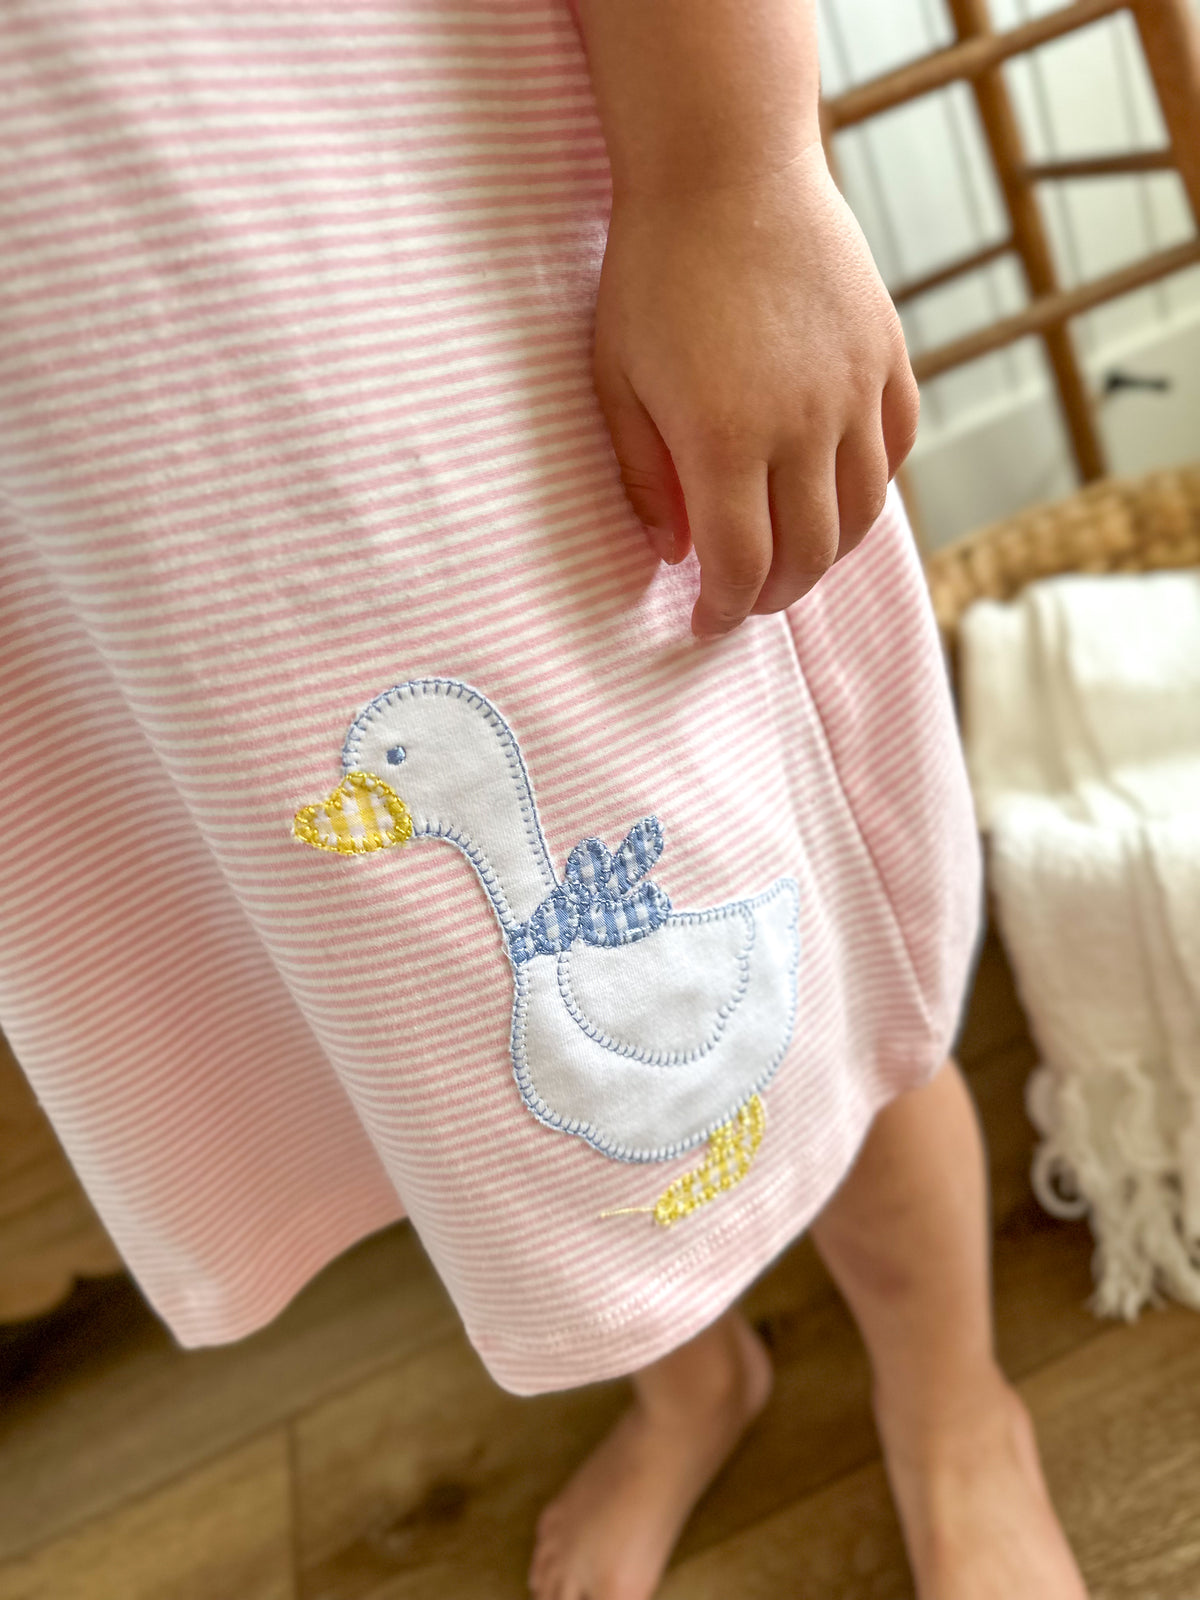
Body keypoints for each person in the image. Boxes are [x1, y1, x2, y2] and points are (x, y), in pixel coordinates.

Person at [0, 2, 1086, 1596]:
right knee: (426, 1038)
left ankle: (950, 1400)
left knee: (805, 989)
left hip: (409, 346)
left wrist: (728, 172)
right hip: (84, 542)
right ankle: (689, 1370)